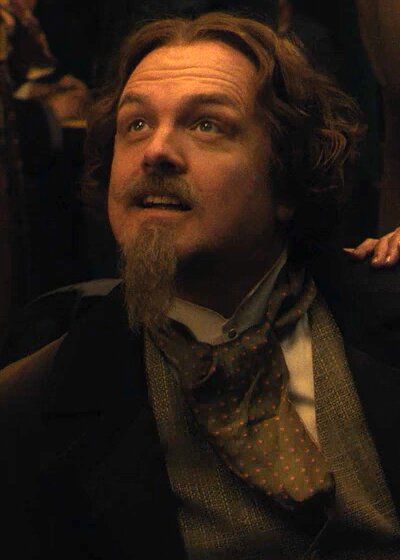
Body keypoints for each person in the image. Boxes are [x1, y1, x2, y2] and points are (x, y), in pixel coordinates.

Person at [1, 11, 400, 560]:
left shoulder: (383, 313)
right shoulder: (30, 409)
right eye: (135, 125)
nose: (156, 151)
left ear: (287, 178)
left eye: (207, 125)